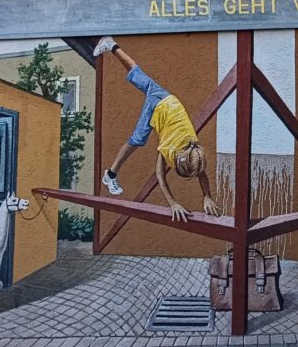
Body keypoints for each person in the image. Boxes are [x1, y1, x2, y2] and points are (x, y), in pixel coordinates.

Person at [93, 36, 220, 222]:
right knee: (137, 140)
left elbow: (201, 173)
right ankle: (110, 175)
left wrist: (207, 196)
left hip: (168, 98)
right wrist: (172, 203)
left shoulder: (194, 150)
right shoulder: (170, 148)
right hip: (158, 106)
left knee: (135, 71)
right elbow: (161, 175)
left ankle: (111, 45)